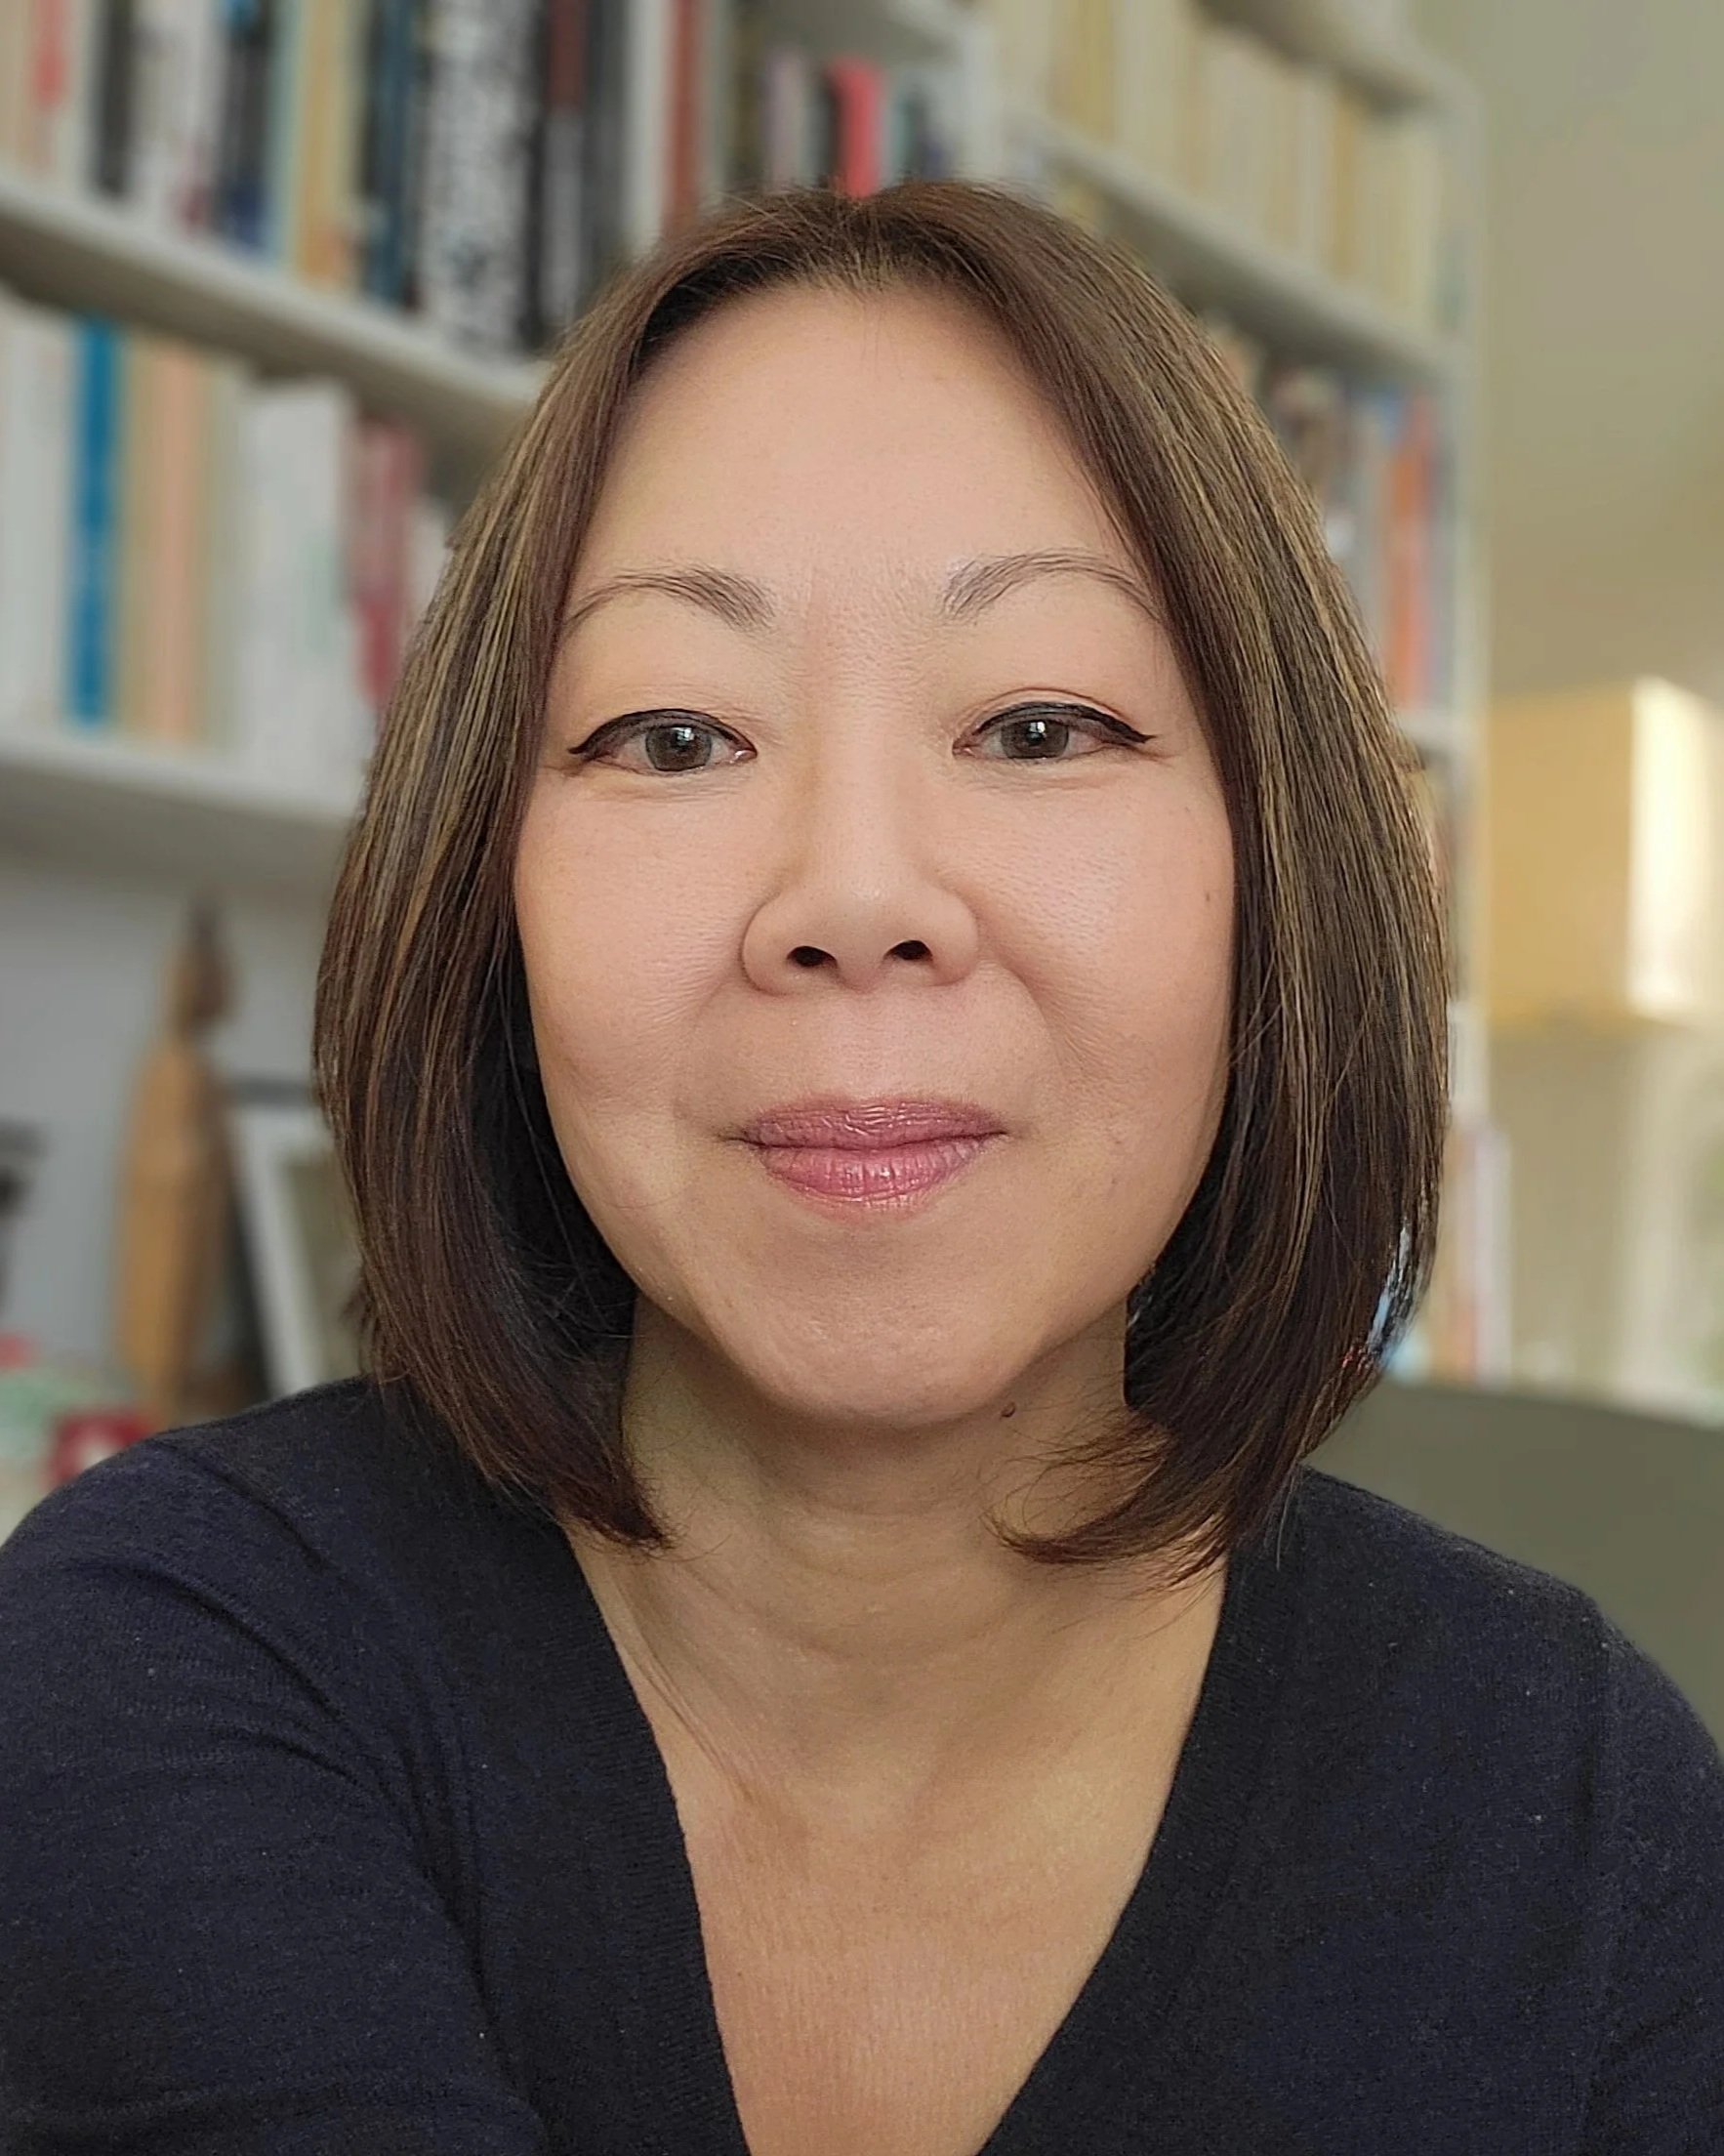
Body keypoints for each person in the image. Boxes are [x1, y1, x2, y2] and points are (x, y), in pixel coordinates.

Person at [1, 178, 1720, 2155]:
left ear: (1279, 872)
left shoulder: (1583, 1815)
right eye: (669, 739)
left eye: (1042, 721)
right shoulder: (178, 1647)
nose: (854, 895)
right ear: (491, 895)